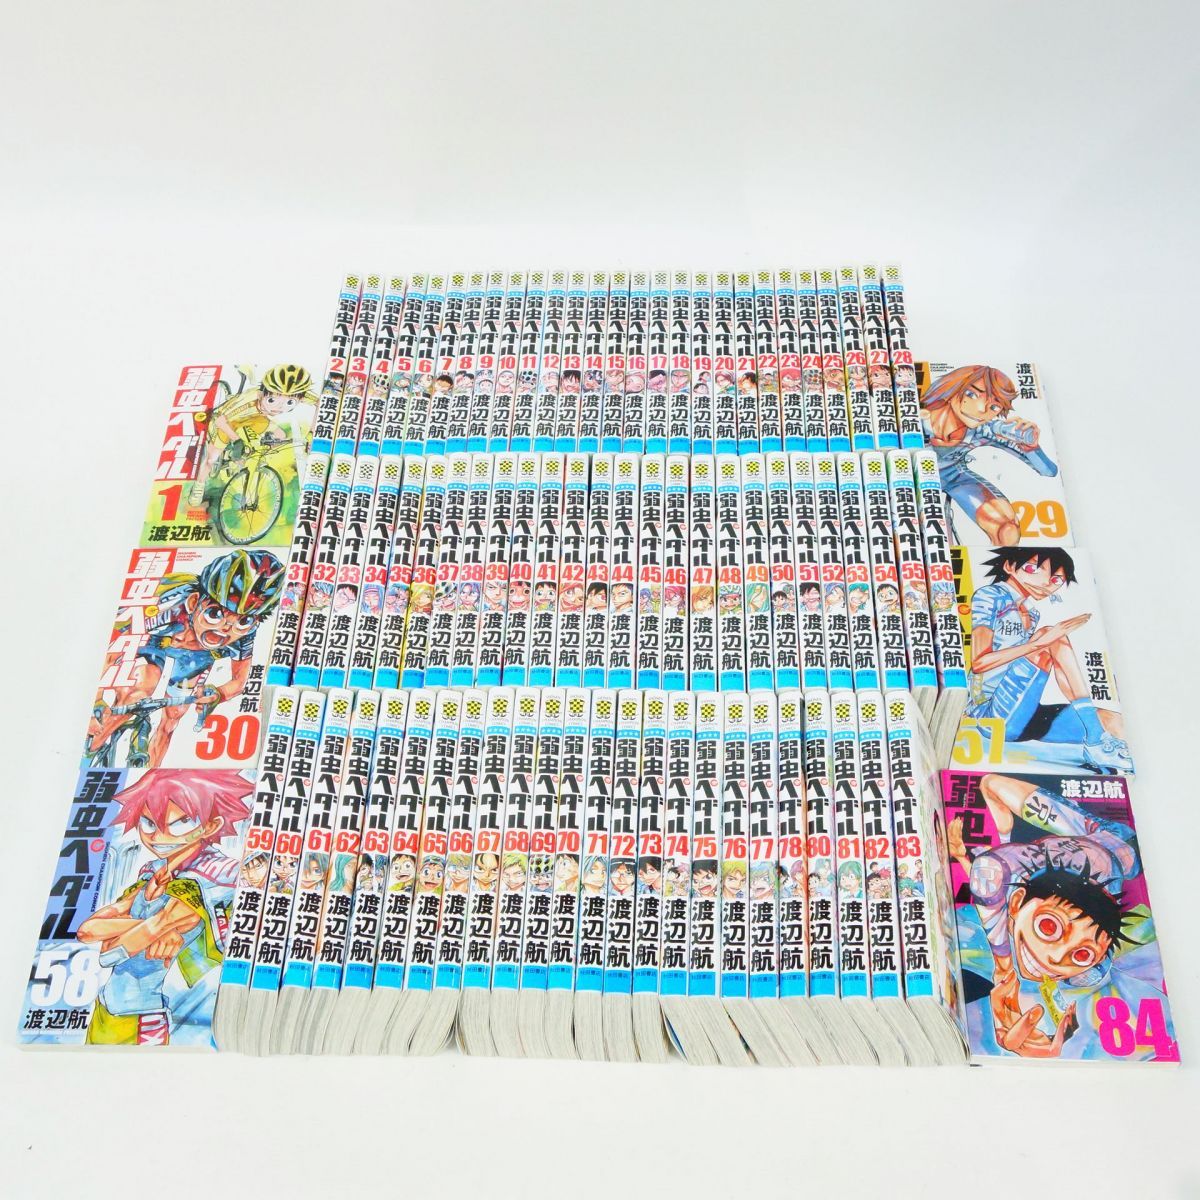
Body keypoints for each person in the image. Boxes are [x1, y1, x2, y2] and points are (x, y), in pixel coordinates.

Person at [946, 773, 1152, 1059]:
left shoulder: (1092, 968)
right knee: (990, 783)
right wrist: (1004, 969)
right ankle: (1007, 835)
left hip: (1107, 845)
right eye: (1049, 927)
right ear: (1015, 902)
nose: (1054, 958)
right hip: (1102, 838)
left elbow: (989, 893)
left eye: (1082, 954)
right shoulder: (998, 869)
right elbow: (987, 881)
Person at [78, 769, 253, 1045]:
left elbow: (110, 953)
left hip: (140, 1018)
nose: (159, 836)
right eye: (148, 823)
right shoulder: (153, 870)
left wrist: (143, 928)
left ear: (211, 825)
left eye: (180, 823)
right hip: (105, 1009)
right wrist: (153, 928)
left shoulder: (214, 873)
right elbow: (87, 931)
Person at [87, 550, 285, 768]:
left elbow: (239, 681)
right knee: (138, 692)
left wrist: (218, 694)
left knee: (173, 716)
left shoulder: (246, 634)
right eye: (215, 614)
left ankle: (149, 774)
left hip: (194, 659)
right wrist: (96, 700)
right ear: (193, 602)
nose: (226, 628)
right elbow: (113, 647)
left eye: (243, 621)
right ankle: (92, 748)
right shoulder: (170, 604)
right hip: (154, 642)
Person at [967, 548, 1131, 771]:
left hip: (1024, 713)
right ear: (1009, 566)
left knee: (1112, 720)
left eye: (1056, 580)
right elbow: (979, 663)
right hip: (992, 716)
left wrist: (1043, 641)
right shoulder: (990, 596)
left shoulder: (1031, 612)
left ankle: (1102, 745)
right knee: (1050, 635)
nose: (1045, 583)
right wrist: (1039, 643)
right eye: (1033, 569)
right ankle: (1095, 741)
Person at [921, 364, 1058, 546]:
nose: (981, 409)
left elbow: (1048, 471)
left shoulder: (984, 430)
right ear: (953, 389)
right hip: (904, 476)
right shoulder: (915, 419)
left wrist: (1031, 447)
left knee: (1007, 530)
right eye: (972, 395)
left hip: (953, 476)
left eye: (994, 406)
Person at [188, 365, 315, 506]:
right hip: (229, 421)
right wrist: (236, 440)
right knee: (211, 459)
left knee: (280, 435)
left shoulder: (296, 393)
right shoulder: (248, 401)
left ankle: (252, 458)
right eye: (271, 400)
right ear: (261, 394)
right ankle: (198, 486)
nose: (279, 408)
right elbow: (220, 421)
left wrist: (311, 435)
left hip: (256, 417)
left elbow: (320, 403)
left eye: (289, 403)